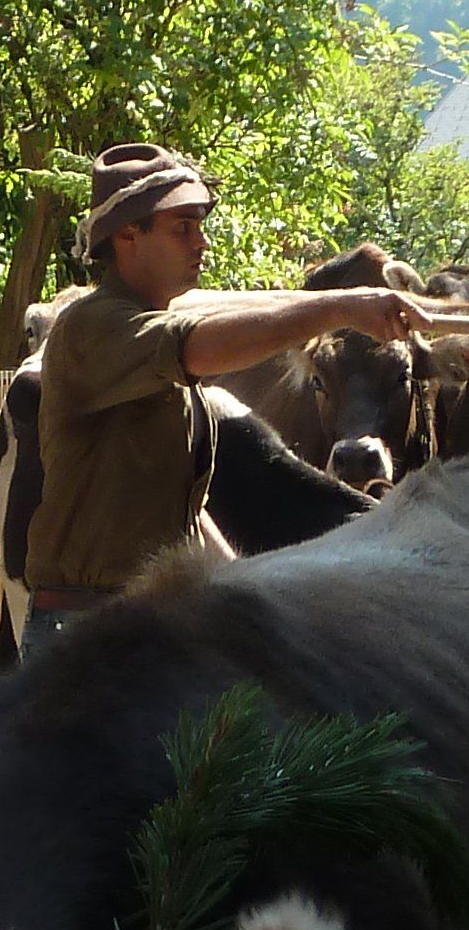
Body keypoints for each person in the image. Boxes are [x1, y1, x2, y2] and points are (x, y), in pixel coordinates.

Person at [22, 144, 430, 649]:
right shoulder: (93, 327)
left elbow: (180, 511)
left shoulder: (150, 347)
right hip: (87, 630)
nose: (202, 242)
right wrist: (342, 308)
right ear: (128, 236)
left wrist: (242, 588)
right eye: (182, 228)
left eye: (200, 226)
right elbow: (196, 344)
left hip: (150, 621)